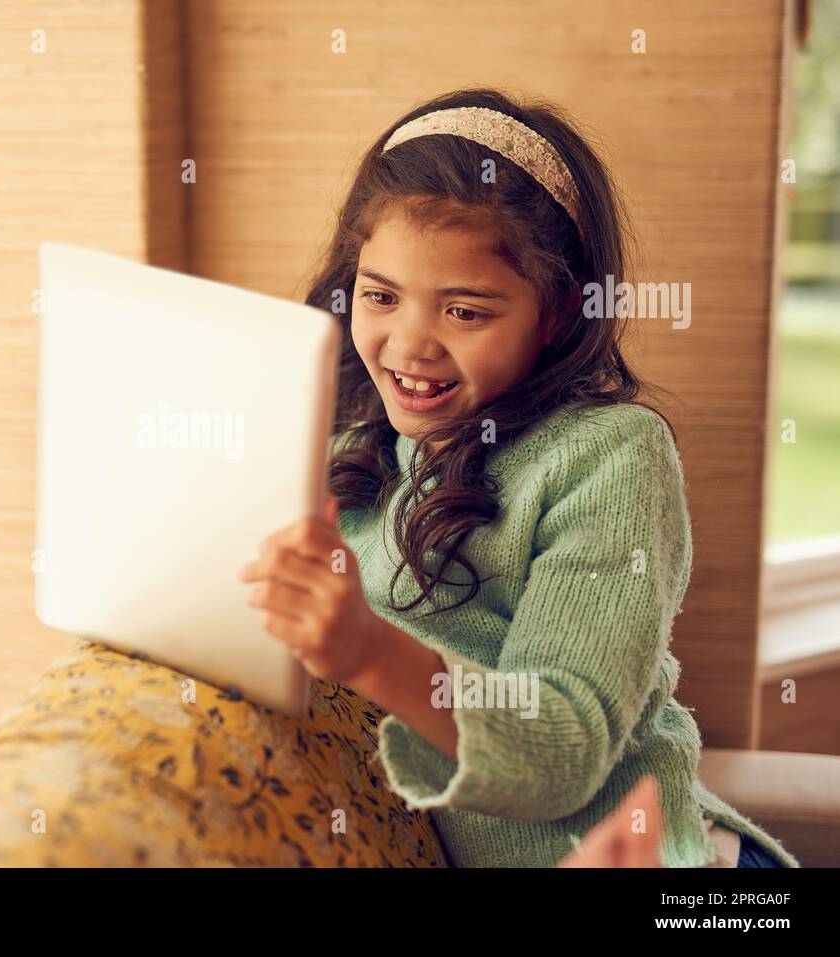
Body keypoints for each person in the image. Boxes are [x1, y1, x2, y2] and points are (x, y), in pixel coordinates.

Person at [238, 88, 796, 868]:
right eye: (381, 296)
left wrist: (370, 652)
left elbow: (562, 747)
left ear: (558, 312)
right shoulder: (340, 453)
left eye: (465, 312)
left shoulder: (611, 456)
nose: (410, 344)